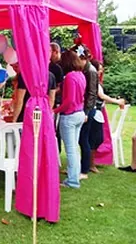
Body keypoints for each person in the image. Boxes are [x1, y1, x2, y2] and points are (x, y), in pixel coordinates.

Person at [54, 50, 86, 188]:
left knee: (71, 149)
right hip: (79, 113)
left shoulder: (70, 78)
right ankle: (74, 176)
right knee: (74, 148)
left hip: (69, 115)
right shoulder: (81, 75)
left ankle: (72, 180)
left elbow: (68, 101)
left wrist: (55, 110)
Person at [90, 60, 126, 173]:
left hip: (98, 112)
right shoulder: (93, 81)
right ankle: (90, 163)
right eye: (99, 68)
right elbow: (101, 95)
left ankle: (90, 162)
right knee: (95, 138)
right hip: (94, 112)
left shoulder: (96, 81)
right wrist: (116, 101)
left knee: (97, 138)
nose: (101, 71)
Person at [72, 45, 99, 179]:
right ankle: (78, 167)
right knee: (80, 139)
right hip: (83, 109)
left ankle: (84, 170)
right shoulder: (84, 69)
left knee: (84, 139)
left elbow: (92, 94)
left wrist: (86, 112)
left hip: (87, 110)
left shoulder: (91, 71)